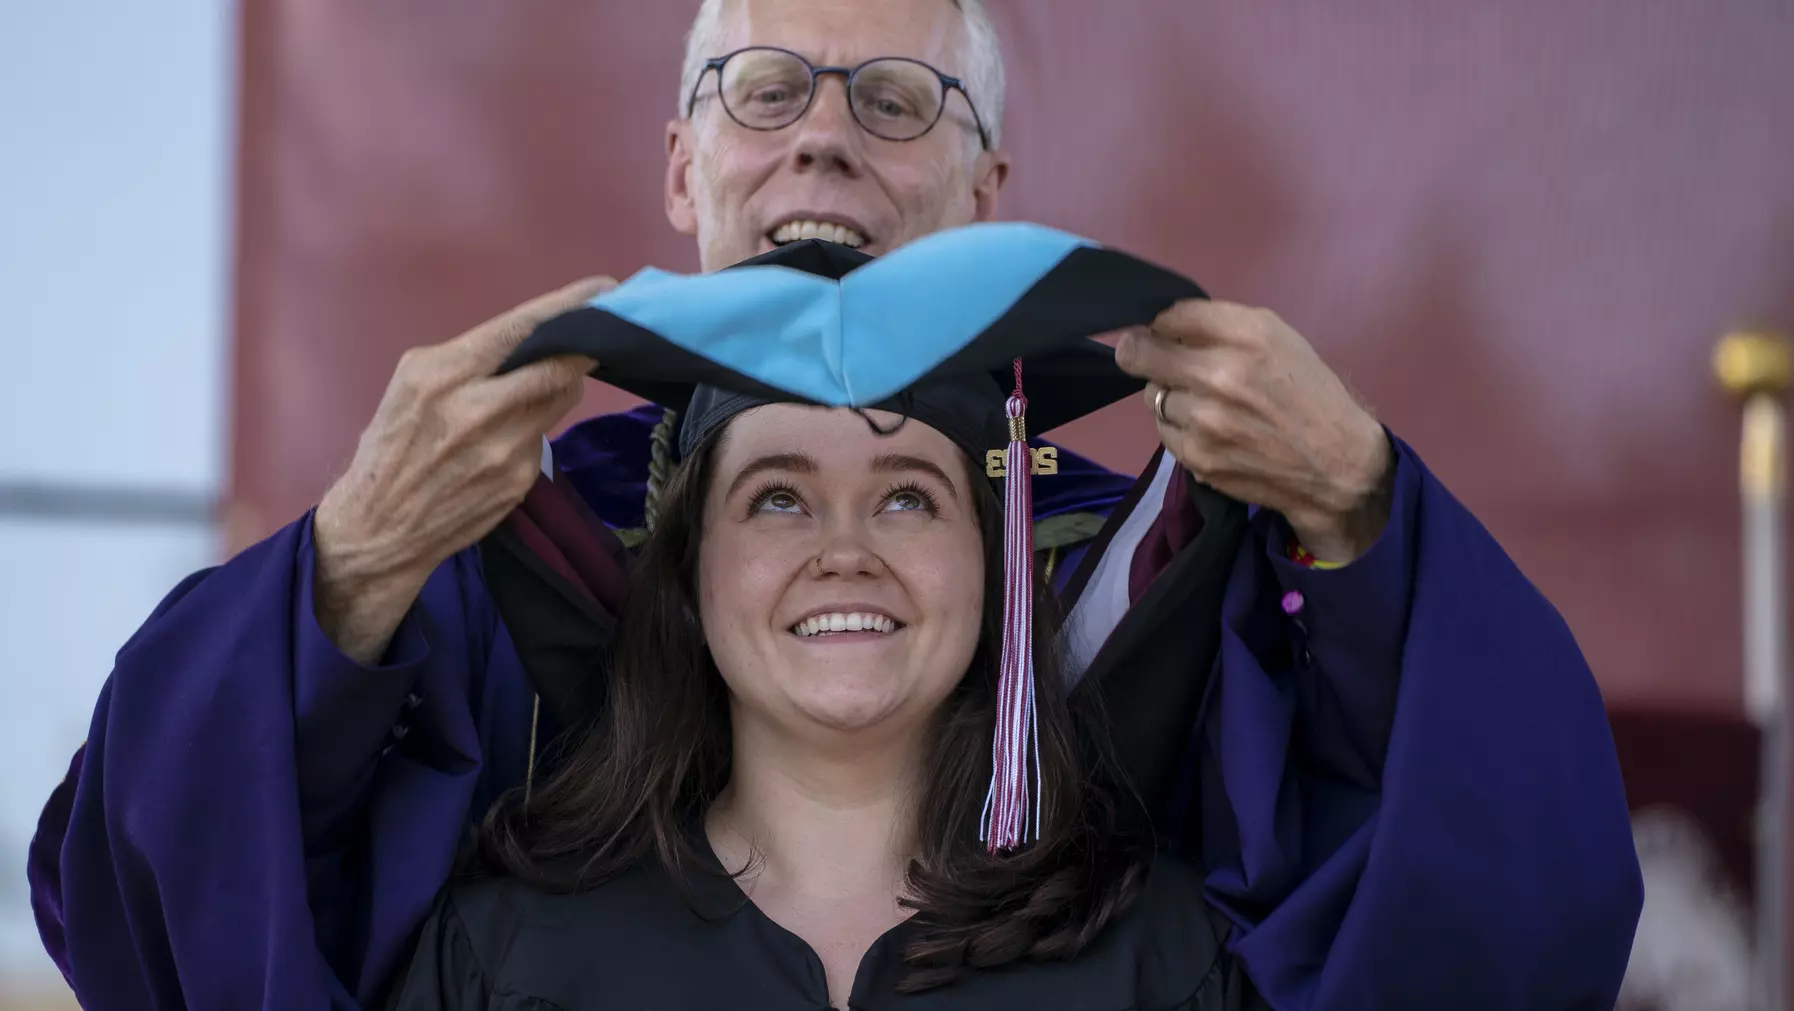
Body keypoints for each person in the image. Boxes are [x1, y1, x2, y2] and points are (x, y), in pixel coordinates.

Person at [27, 3, 1643, 1009]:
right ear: (681, 169)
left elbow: (1504, 924)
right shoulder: (476, 547)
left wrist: (1360, 519)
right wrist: (343, 573)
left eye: (893, 100)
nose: (820, 136)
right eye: (766, 88)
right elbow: (154, 917)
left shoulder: (1167, 560)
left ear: (986, 189)